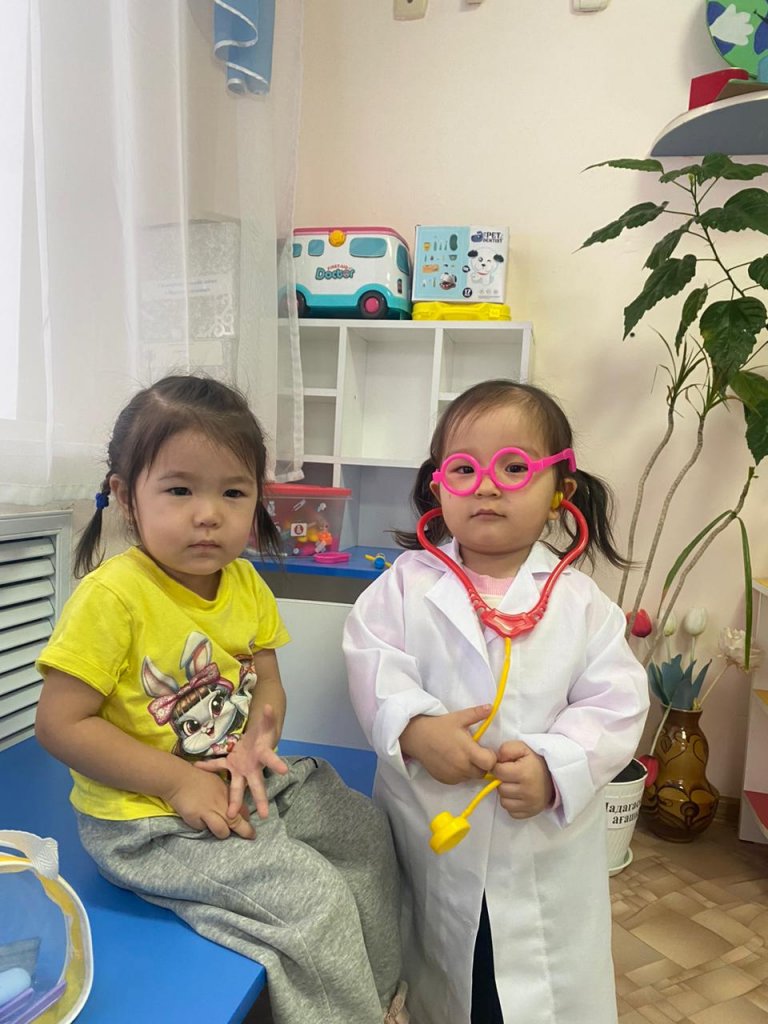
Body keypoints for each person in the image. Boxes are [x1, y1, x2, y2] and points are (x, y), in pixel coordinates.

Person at [35, 374, 409, 1024]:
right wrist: (179, 782)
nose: (209, 514)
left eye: (233, 492)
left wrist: (258, 743)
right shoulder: (112, 597)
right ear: (126, 497)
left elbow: (267, 680)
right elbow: (60, 725)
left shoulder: (243, 580)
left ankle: (378, 1003)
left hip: (239, 780)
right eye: (180, 490)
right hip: (146, 820)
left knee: (367, 834)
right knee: (314, 900)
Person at [343, 379, 649, 1024]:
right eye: (464, 469)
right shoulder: (402, 587)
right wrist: (415, 729)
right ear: (437, 487)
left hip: (538, 840)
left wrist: (554, 766)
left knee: (533, 987)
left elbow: (615, 703)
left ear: (561, 490)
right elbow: (373, 664)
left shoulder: (583, 605)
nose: (486, 486)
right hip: (434, 828)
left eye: (514, 467)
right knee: (449, 971)